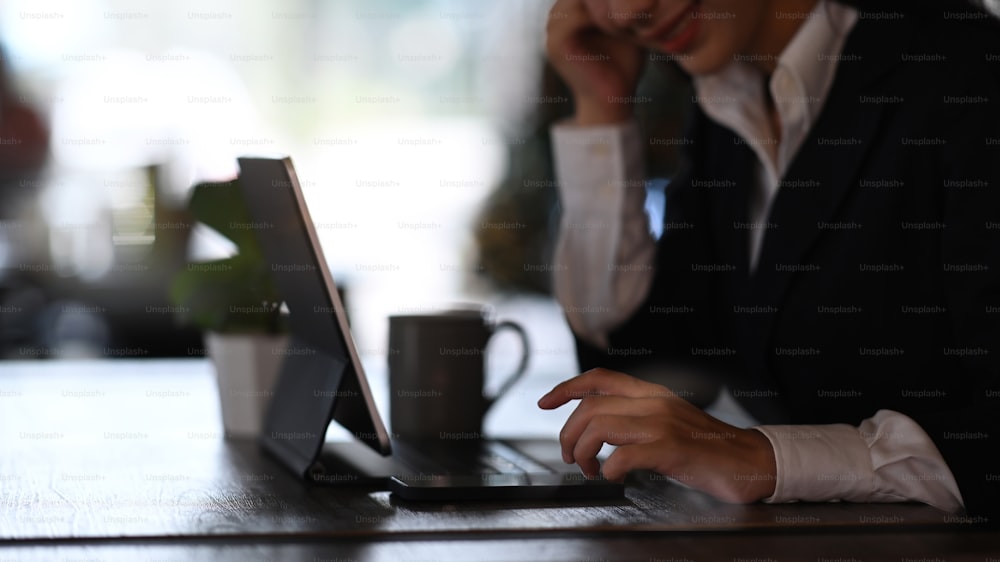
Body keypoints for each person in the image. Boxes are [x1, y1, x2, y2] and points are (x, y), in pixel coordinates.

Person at [537, 0, 1000, 519]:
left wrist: (768, 458)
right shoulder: (730, 100)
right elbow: (644, 380)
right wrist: (602, 105)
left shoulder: (970, 75)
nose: (626, 12)